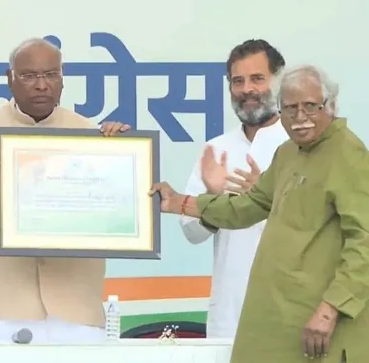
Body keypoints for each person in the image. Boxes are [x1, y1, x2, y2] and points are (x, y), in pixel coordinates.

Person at [150, 65, 368, 363]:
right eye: (290, 109)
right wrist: (182, 203)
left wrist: (330, 309)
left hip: (320, 327)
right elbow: (248, 206)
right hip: (276, 322)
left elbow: (364, 244)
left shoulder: (348, 154)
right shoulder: (288, 153)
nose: (300, 118)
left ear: (330, 106)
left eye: (310, 107)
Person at [0, 38, 130, 343]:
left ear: (62, 80)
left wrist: (120, 158)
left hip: (72, 310)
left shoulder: (91, 135)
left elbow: (116, 210)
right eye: (29, 76)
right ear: (10, 79)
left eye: (51, 75)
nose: (41, 85)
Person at [179, 39, 289, 338]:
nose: (247, 90)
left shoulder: (299, 146)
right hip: (230, 317)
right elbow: (191, 233)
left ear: (278, 82)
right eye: (237, 81)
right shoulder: (217, 149)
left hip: (290, 313)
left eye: (257, 79)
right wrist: (213, 201)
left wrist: (266, 197)